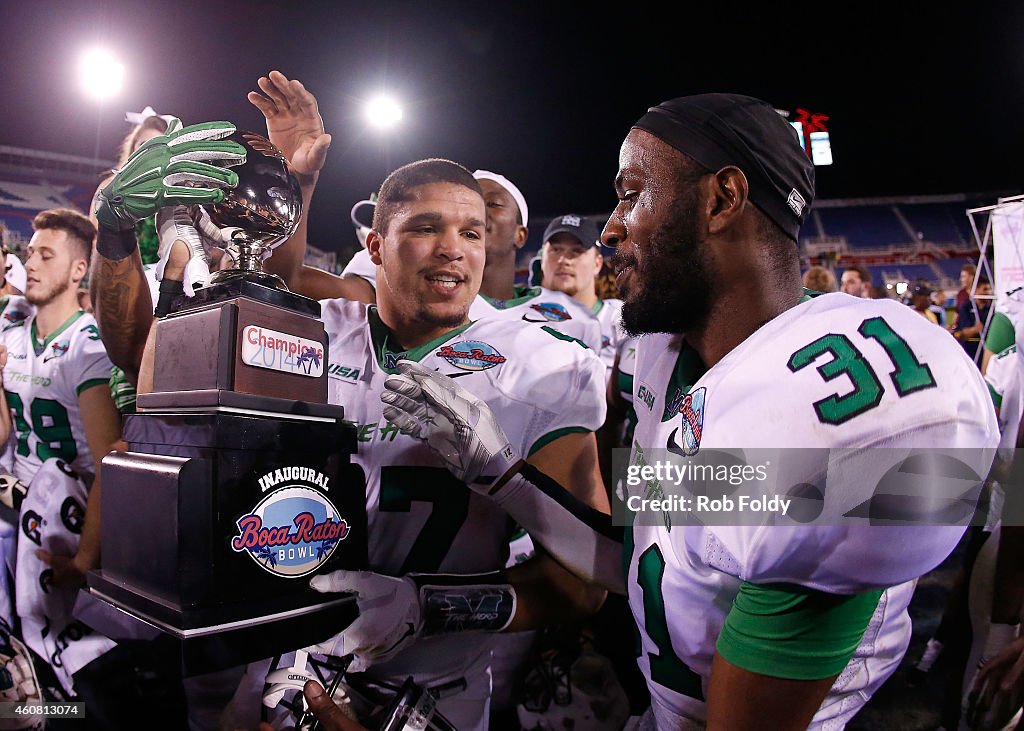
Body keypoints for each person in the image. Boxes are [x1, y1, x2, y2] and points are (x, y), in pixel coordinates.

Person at [380, 93, 1000, 730]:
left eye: (632, 192)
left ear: (722, 198)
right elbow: (654, 547)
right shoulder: (659, 351)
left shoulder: (831, 409)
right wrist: (503, 475)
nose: (611, 228)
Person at [90, 72, 610, 730]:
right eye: (426, 227)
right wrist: (120, 229)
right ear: (374, 246)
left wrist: (430, 604)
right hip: (284, 673)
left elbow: (581, 585)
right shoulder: (318, 327)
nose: (453, 246)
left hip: (433, 697)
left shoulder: (542, 361)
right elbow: (145, 347)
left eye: (473, 232)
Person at [0, 208, 124, 701]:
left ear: (78, 270)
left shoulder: (87, 346)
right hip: (11, 514)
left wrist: (85, 560)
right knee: (15, 665)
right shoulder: (11, 335)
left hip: (60, 527)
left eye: (45, 255)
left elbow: (107, 460)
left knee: (57, 680)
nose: (30, 262)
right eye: (30, 252)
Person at [953, 276, 994, 362]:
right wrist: (974, 330)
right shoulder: (966, 307)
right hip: (969, 350)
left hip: (986, 351)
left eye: (989, 289)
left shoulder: (991, 309)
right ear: (976, 290)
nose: (989, 292)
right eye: (985, 289)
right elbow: (961, 333)